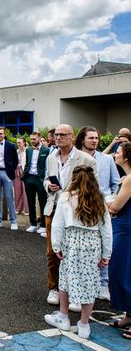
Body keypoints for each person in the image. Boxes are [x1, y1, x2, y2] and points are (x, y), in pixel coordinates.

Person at [44, 166, 112, 339]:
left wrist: (56, 246)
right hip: (92, 242)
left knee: (65, 278)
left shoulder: (66, 197)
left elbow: (58, 224)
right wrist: (106, 254)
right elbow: (106, 229)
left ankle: (63, 316)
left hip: (71, 241)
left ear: (74, 179)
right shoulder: (99, 198)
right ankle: (84, 324)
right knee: (89, 281)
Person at [43, 124, 97, 311]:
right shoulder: (51, 157)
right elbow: (46, 179)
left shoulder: (86, 159)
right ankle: (54, 288)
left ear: (72, 137)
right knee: (52, 252)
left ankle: (75, 292)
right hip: (54, 208)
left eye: (63, 135)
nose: (58, 138)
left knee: (75, 254)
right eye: (56, 135)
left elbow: (92, 187)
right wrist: (48, 186)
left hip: (75, 214)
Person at [76, 125, 120, 301]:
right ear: (82, 140)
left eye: (96, 138)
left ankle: (103, 284)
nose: (95, 141)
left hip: (102, 207)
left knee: (104, 245)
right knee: (81, 245)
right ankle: (80, 283)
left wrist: (110, 200)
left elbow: (116, 183)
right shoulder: (75, 157)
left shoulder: (107, 159)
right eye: (91, 138)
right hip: (79, 207)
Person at [107, 142, 131, 340]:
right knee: (121, 272)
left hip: (126, 229)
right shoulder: (125, 178)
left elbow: (115, 207)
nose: (115, 154)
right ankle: (128, 315)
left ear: (127, 156)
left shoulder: (130, 179)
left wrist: (106, 204)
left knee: (122, 272)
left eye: (118, 151)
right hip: (120, 227)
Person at [0, 127, 19, 230]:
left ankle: (13, 221)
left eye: (1, 133)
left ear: (4, 134)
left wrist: (11, 169)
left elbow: (15, 160)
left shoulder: (11, 145)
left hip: (6, 173)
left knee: (9, 197)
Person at [23, 131, 50, 235]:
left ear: (39, 139)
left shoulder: (46, 150)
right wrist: (24, 176)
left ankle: (43, 225)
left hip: (40, 179)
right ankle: (33, 224)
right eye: (31, 139)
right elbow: (27, 163)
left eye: (34, 139)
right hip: (29, 178)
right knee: (30, 201)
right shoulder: (28, 150)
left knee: (43, 202)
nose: (32, 141)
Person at [14, 137, 28, 215]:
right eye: (17, 142)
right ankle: (17, 208)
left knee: (25, 191)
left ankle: (26, 209)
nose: (18, 144)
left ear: (24, 143)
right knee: (17, 191)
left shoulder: (28, 151)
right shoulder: (16, 151)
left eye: (20, 142)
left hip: (24, 171)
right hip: (16, 172)